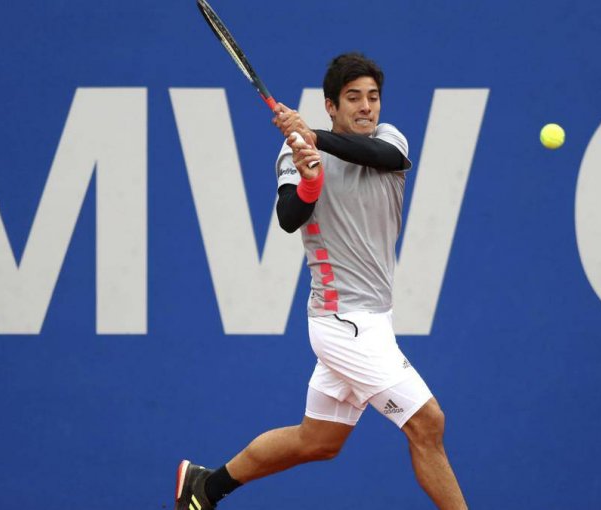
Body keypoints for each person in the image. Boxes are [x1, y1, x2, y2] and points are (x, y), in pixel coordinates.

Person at [175, 52, 468, 510]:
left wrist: (316, 137)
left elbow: (382, 155)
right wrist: (310, 176)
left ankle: (204, 486)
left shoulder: (390, 140)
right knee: (427, 424)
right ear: (331, 104)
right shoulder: (297, 154)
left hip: (373, 318)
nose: (366, 107)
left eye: (372, 97)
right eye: (353, 98)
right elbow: (290, 218)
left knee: (318, 440)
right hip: (342, 323)